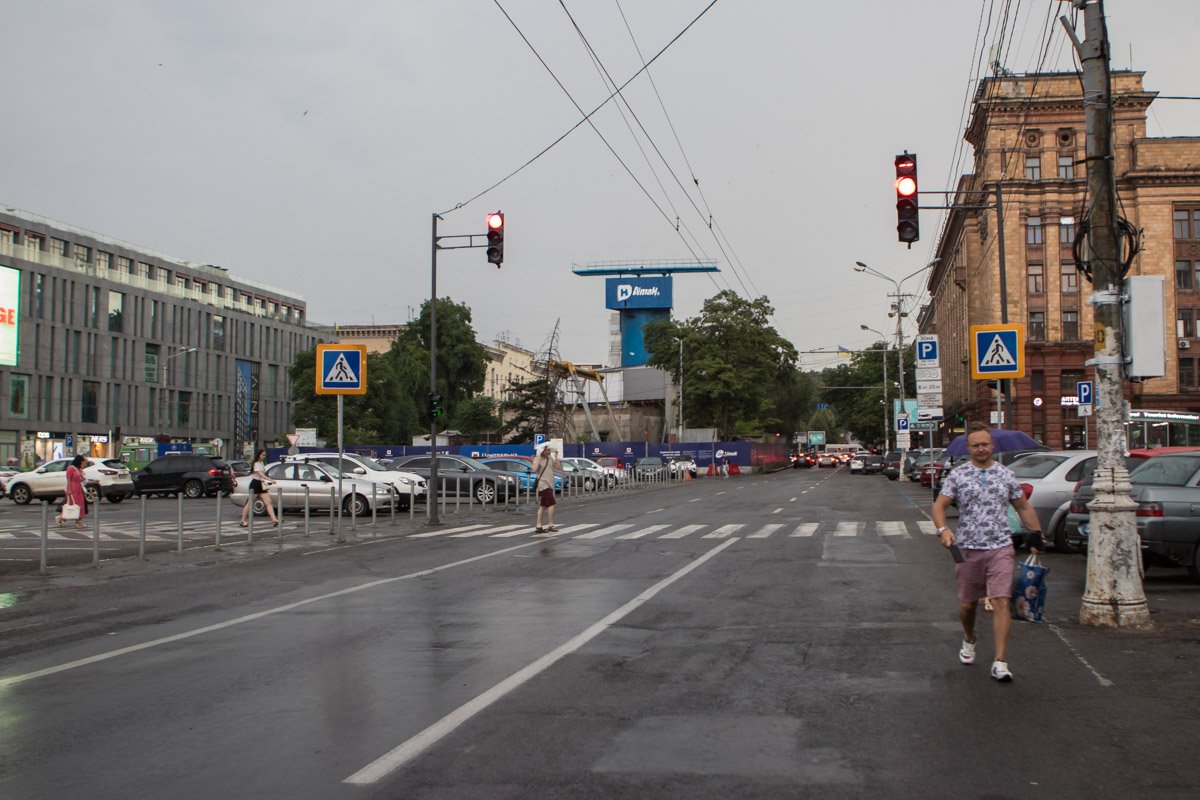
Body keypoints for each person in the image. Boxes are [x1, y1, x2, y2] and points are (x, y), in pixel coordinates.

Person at [932, 423, 1044, 682]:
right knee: (967, 605)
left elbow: (1022, 506)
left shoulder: (1006, 475)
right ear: (968, 448)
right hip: (968, 548)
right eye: (975, 445)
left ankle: (1000, 661)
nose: (981, 449)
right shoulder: (958, 476)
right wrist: (943, 530)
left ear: (992, 446)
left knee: (1001, 600)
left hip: (1001, 547)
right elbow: (939, 506)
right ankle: (969, 637)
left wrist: (1036, 534)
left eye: (985, 444)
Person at [240, 449, 279, 527]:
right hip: (255, 484)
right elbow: (261, 475)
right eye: (263, 455)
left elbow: (262, 475)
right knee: (250, 503)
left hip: (261, 484)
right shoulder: (256, 464)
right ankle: (243, 520)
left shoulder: (261, 463)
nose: (264, 457)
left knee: (268, 502)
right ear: (259, 455)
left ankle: (274, 520)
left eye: (264, 455)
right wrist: (270, 480)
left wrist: (267, 480)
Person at [532, 445, 561, 533]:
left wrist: (556, 457)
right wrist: (539, 459)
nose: (548, 452)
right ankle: (550, 524)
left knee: (543, 505)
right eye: (546, 450)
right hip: (543, 484)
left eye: (549, 450)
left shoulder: (550, 458)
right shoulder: (537, 458)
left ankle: (538, 525)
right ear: (542, 451)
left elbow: (558, 467)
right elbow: (534, 469)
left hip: (550, 484)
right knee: (552, 503)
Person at [56, 454, 88, 530]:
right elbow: (68, 479)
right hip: (73, 488)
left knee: (80, 505)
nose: (84, 463)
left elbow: (81, 479)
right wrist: (69, 490)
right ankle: (61, 518)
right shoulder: (71, 468)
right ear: (80, 461)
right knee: (71, 505)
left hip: (79, 489)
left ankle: (79, 521)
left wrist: (83, 477)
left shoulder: (79, 469)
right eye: (83, 462)